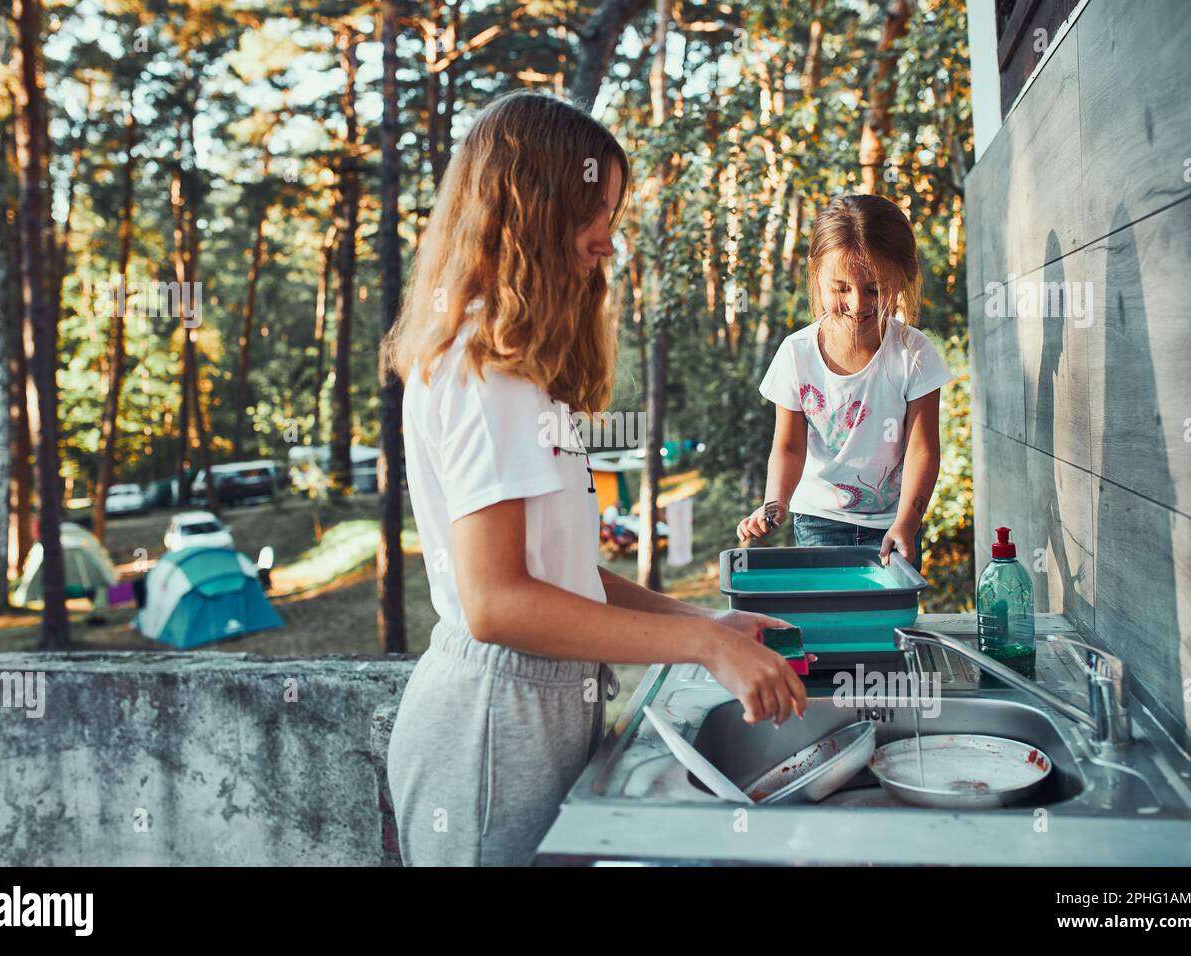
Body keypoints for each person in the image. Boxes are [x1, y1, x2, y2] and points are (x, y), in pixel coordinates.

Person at [382, 91, 809, 867]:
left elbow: (563, 578)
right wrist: (699, 646)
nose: (607, 242)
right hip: (490, 731)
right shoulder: (488, 372)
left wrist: (705, 624)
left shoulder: (511, 368)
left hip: (528, 712)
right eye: (594, 213)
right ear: (533, 208)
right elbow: (497, 602)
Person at [737, 194, 953, 571]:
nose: (858, 304)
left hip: (894, 521)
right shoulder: (796, 354)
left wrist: (908, 522)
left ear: (901, 280)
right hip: (818, 519)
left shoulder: (914, 353)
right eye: (842, 288)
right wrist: (775, 504)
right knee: (829, 614)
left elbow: (923, 451)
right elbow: (788, 447)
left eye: (875, 288)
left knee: (888, 619)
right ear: (816, 275)